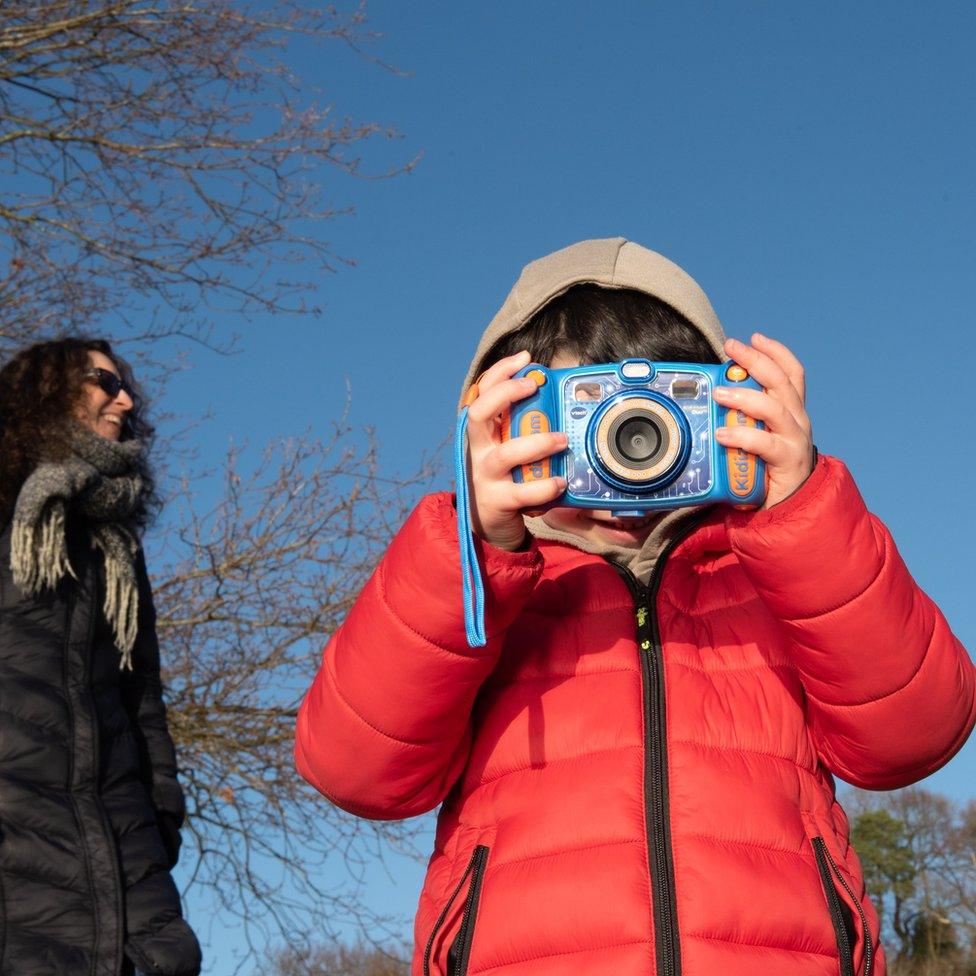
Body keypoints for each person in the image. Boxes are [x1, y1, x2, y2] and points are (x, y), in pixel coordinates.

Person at [295, 239, 976, 976]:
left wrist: (805, 517)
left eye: (662, 409)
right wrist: (473, 553)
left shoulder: (770, 573)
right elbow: (354, 771)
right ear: (498, 423)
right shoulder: (485, 593)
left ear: (725, 407)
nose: (629, 445)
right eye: (579, 411)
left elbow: (915, 735)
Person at [0, 338, 201, 976]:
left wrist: (159, 815)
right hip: (19, 867)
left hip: (126, 872)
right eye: (104, 382)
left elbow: (142, 694)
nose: (127, 399)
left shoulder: (113, 543)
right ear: (48, 391)